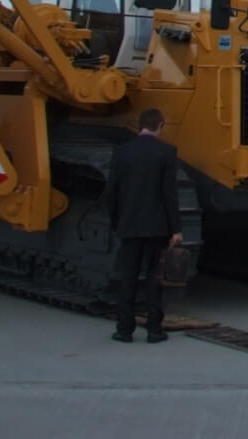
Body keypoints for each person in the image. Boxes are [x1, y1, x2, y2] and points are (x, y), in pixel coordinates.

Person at [102, 107, 183, 343]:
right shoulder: (167, 153)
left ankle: (124, 329)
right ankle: (154, 329)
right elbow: (170, 194)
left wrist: (118, 222)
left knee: (128, 276)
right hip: (157, 227)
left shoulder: (122, 152)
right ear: (160, 126)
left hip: (129, 225)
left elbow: (111, 193)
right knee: (153, 278)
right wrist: (175, 229)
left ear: (140, 126)